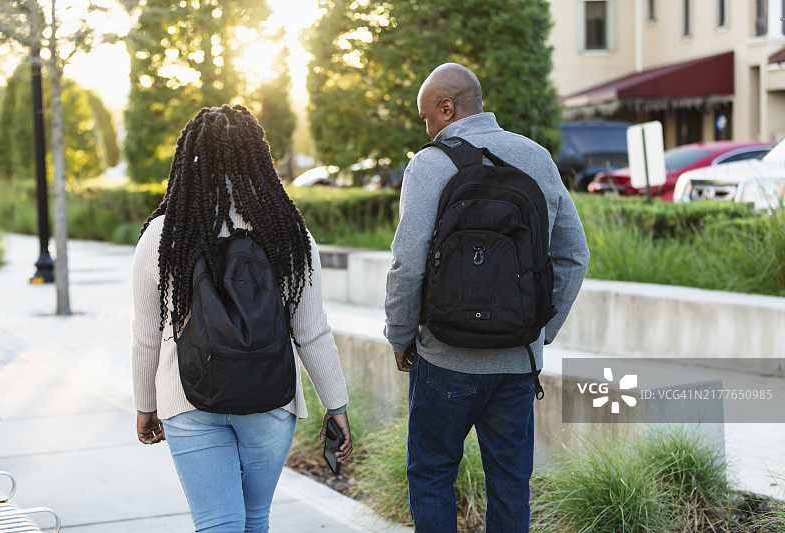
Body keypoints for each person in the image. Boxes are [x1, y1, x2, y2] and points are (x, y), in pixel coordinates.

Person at [384, 63, 589, 532]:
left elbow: (408, 265)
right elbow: (574, 256)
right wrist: (538, 331)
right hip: (515, 363)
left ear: (446, 108)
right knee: (511, 484)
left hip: (444, 358)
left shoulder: (430, 164)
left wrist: (399, 335)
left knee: (433, 473)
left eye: (426, 118)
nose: (427, 128)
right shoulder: (536, 158)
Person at [131, 104, 353, 533]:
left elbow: (146, 335)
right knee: (254, 521)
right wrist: (335, 404)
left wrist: (146, 405)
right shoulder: (288, 232)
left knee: (218, 524)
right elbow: (312, 331)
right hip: (269, 398)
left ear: (188, 160)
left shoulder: (163, 235)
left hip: (187, 397)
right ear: (258, 156)